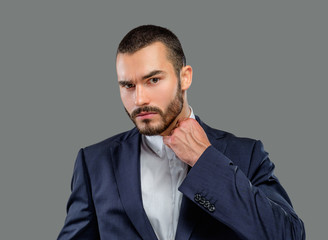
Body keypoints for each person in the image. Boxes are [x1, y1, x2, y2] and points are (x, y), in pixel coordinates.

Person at [57, 25, 305, 240]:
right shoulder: (94, 163)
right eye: (128, 85)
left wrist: (206, 161)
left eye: (153, 80)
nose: (139, 98)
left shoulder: (246, 153)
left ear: (184, 77)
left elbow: (288, 234)